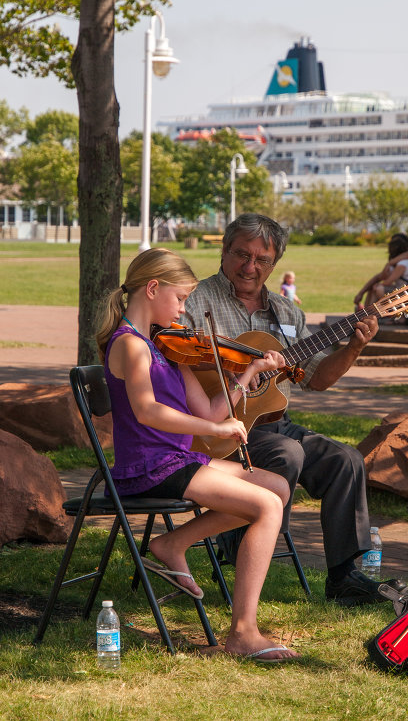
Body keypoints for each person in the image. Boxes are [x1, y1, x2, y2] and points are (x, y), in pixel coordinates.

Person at [181, 213, 408, 607]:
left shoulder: (286, 313)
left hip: (269, 422)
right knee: (287, 453)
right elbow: (172, 359)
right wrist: (234, 377)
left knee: (347, 459)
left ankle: (344, 576)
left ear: (275, 263)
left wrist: (353, 347)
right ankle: (243, 558)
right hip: (215, 424)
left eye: (262, 260)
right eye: (241, 254)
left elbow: (317, 378)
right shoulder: (197, 300)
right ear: (224, 251)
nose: (250, 267)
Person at [95, 247, 299, 662]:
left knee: (276, 486)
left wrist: (247, 374)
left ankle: (172, 544)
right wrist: (216, 430)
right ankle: (243, 632)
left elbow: (210, 409)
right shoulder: (130, 346)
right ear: (152, 288)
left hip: (177, 460)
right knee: (265, 506)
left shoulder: (167, 348)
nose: (185, 309)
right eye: (181, 298)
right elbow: (147, 411)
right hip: (149, 466)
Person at [353, 233, 408, 311]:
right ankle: (366, 313)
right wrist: (361, 293)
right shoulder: (400, 261)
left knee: (379, 288)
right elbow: (378, 277)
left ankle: (369, 314)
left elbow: (387, 282)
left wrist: (389, 263)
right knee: (375, 287)